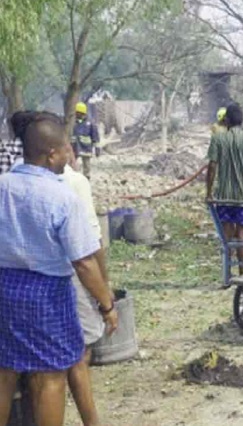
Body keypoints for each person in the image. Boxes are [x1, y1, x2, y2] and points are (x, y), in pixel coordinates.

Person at [0, 111, 117, 426]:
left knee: (5, 372)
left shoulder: (3, 185)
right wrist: (106, 304)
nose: (70, 154)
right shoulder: (62, 195)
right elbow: (84, 261)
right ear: (51, 154)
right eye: (66, 148)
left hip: (5, 288)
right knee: (51, 376)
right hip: (47, 293)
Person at [62, 142, 113, 426]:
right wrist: (106, 296)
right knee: (80, 352)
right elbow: (90, 249)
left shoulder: (8, 181)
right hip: (70, 277)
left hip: (18, 283)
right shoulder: (73, 182)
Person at [206, 104, 243, 281]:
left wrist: (208, 192)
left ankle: (226, 274)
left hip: (224, 195)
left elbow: (212, 167)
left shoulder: (218, 139)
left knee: (227, 235)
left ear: (227, 120)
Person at [71, 102, 100, 179]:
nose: (76, 114)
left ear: (81, 113)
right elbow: (72, 136)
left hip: (86, 148)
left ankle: (86, 178)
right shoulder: (75, 123)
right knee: (72, 163)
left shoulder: (90, 123)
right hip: (76, 147)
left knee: (86, 165)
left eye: (77, 113)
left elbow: (95, 137)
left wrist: (97, 149)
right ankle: (74, 177)